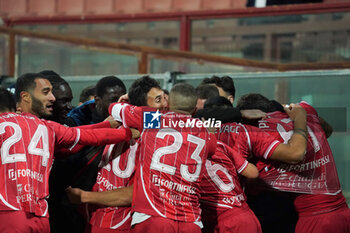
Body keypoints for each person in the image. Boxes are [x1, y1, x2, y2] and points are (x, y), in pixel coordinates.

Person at [0, 74, 137, 233]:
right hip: (41, 217)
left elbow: (77, 135)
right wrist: (124, 132)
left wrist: (108, 126)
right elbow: (82, 136)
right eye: (46, 92)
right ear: (25, 97)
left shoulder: (47, 127)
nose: (53, 98)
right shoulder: (48, 127)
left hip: (10, 212)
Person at [66, 75, 169, 233]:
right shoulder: (154, 135)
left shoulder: (117, 120)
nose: (164, 104)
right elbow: (132, 194)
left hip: (107, 216)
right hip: (113, 221)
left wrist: (85, 197)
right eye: (157, 100)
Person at [237, 93, 350, 233]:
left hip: (314, 220)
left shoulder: (257, 134)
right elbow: (327, 130)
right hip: (343, 212)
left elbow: (253, 185)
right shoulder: (304, 110)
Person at [199, 141, 262, 233]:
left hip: (224, 220)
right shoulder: (219, 145)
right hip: (246, 213)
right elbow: (252, 173)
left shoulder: (183, 151)